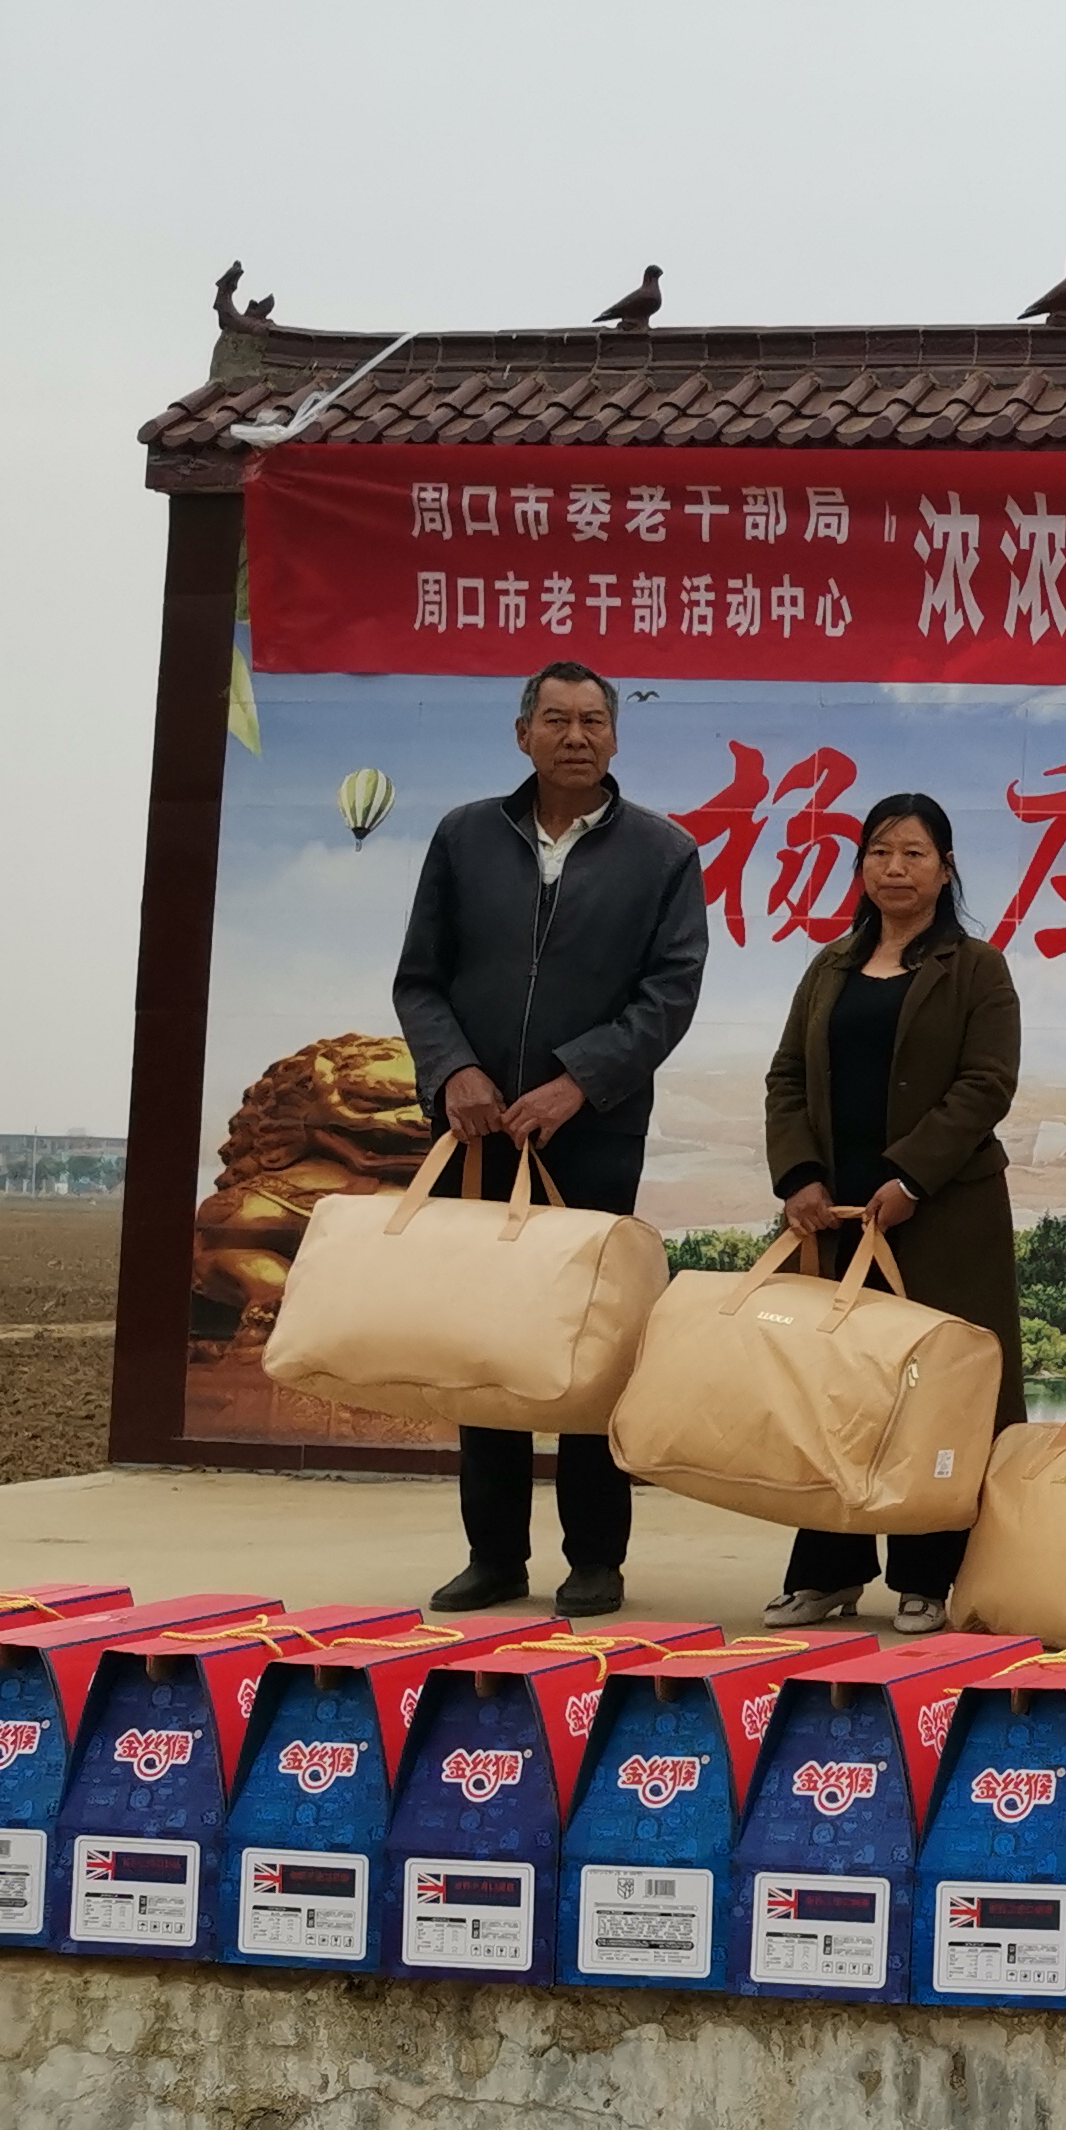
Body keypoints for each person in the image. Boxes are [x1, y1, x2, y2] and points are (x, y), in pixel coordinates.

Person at [392, 661, 708, 1617]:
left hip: (594, 1134)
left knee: (588, 1347)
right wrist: (455, 1072)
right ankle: (493, 1555)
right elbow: (420, 981)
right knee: (486, 1344)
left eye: (594, 721)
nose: (577, 737)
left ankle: (596, 1558)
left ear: (615, 736)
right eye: (558, 720)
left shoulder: (663, 853)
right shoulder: (464, 837)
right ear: (522, 732)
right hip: (478, 1134)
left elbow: (669, 996)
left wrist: (577, 1082)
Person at [755, 795, 1026, 1634]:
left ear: (945, 869)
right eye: (879, 852)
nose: (895, 868)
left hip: (942, 1217)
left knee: (935, 1396)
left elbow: (987, 1084)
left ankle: (928, 1574)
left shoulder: (977, 968)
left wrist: (911, 1176)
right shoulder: (831, 965)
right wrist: (799, 1175)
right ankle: (827, 1572)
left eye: (913, 853)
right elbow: (787, 1077)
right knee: (837, 1393)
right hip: (837, 1218)